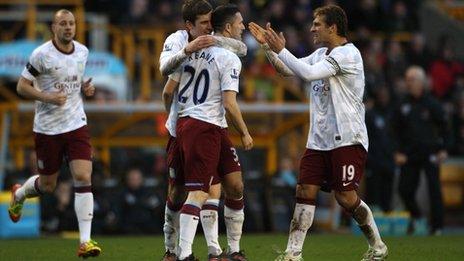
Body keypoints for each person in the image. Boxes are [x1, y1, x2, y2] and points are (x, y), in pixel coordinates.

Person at [249, 4, 387, 261]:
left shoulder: (349, 55)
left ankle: (377, 245)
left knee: (346, 198)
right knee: (304, 190)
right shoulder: (321, 52)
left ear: (333, 27)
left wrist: (282, 49)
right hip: (318, 140)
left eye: (317, 24)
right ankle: (293, 253)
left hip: (347, 137)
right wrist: (269, 49)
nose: (312, 28)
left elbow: (309, 74)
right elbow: (287, 69)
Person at [8, 9, 101, 258]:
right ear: (54, 27)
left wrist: (86, 88)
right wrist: (46, 96)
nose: (68, 28)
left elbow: (75, 80)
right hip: (48, 129)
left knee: (83, 176)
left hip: (76, 123)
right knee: (48, 185)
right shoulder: (41, 55)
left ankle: (85, 241)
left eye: (71, 23)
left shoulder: (83, 51)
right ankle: (19, 194)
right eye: (63, 24)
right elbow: (21, 87)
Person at [159, 1, 247, 260]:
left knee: (229, 185)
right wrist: (173, 119)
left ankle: (219, 249)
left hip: (212, 125)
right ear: (189, 25)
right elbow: (165, 77)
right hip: (185, 126)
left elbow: (239, 47)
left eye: (211, 22)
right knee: (180, 191)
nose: (209, 27)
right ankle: (173, 250)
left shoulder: (214, 45)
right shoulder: (177, 42)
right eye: (204, 23)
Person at [392, 66, 450, 235]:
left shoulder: (432, 104)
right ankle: (416, 216)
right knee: (404, 189)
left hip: (431, 153)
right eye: (407, 79)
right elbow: (393, 131)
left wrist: (444, 149)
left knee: (434, 190)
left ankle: (437, 227)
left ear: (421, 82)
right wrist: (396, 152)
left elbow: (446, 129)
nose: (408, 83)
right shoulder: (402, 104)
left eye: (411, 80)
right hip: (409, 154)